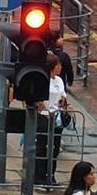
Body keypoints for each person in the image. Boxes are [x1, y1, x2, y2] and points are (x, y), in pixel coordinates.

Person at [35, 55, 68, 185]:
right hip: (43, 117)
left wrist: (63, 105)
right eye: (58, 65)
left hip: (57, 118)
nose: (60, 67)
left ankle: (51, 175)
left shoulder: (59, 80)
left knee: (55, 148)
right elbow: (38, 99)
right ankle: (39, 176)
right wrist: (47, 112)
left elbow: (63, 96)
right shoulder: (42, 80)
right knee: (42, 147)